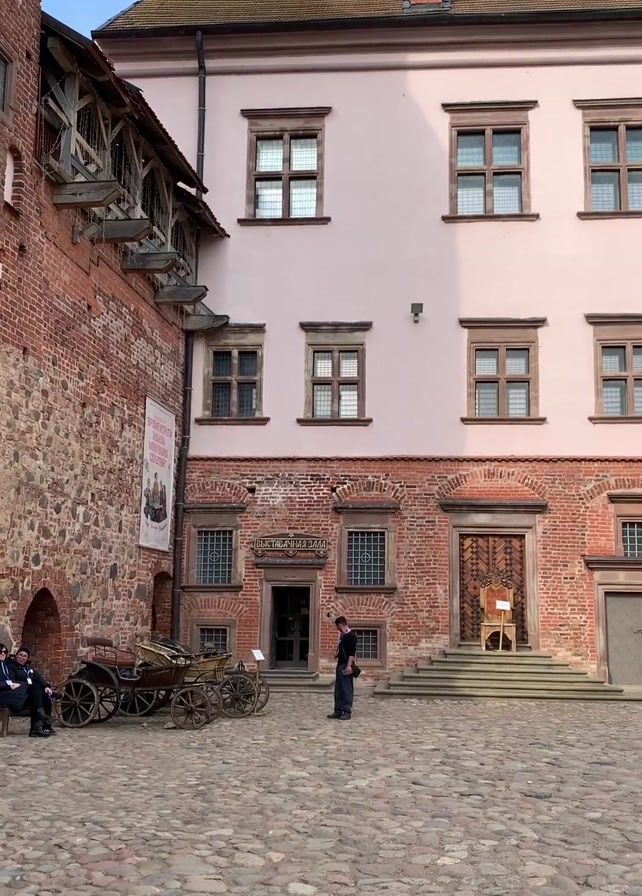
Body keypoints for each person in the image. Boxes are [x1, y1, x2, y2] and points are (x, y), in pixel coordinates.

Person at [10, 646, 55, 737]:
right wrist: (27, 685)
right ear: (16, 655)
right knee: (36, 689)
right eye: (20, 655)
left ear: (27, 658)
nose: (22, 658)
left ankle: (45, 726)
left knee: (45, 696)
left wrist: (46, 686)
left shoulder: (28, 668)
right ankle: (38, 720)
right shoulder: (11, 667)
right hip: (18, 695)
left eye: (25, 656)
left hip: (29, 695)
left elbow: (39, 678)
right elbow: (12, 681)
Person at [328, 616, 357, 721]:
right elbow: (343, 649)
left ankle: (347, 711)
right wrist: (337, 654)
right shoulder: (343, 636)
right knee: (339, 689)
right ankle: (338, 710)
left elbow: (352, 653)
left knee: (346, 689)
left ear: (340, 625)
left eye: (337, 627)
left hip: (346, 665)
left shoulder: (351, 636)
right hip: (340, 664)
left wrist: (349, 666)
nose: (337, 629)